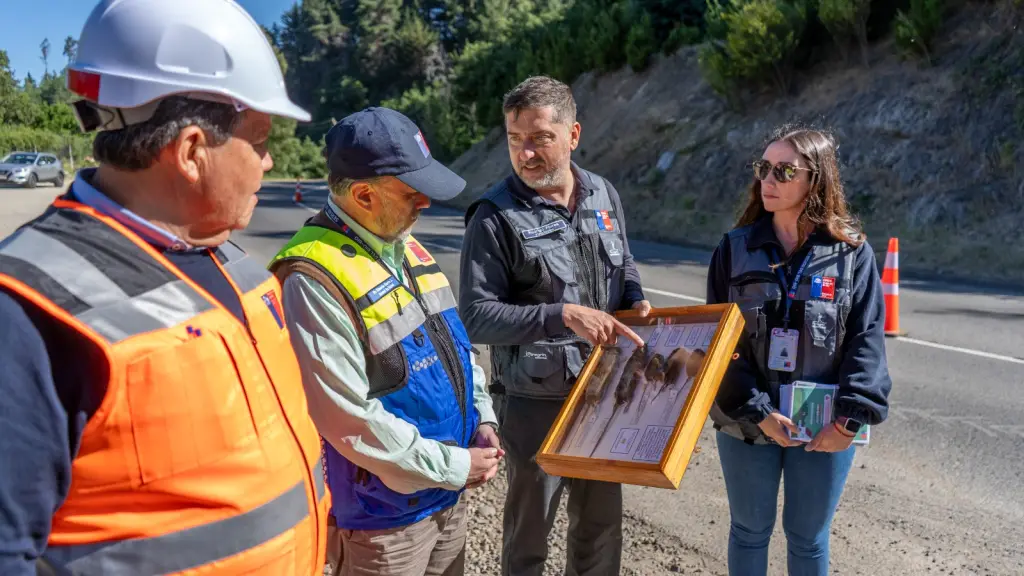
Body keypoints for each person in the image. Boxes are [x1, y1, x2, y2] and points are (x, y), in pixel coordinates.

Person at [0, 1, 330, 574]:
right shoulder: (26, 311)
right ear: (193, 152)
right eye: (261, 141)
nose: (270, 161)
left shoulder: (229, 261)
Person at [269, 107, 502, 576]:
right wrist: (456, 466)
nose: (426, 205)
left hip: (446, 492)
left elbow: (454, 346)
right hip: (385, 522)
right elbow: (348, 419)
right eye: (414, 193)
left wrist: (483, 415)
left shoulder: (404, 242)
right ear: (362, 194)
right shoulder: (313, 278)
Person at [459, 75, 650, 576]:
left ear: (573, 135)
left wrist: (635, 297)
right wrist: (560, 315)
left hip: (604, 392)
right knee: (529, 536)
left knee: (600, 529)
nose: (525, 154)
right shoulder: (494, 217)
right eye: (515, 139)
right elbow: (477, 316)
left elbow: (623, 262)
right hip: (532, 404)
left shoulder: (603, 195)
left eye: (540, 138)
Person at [706, 126, 893, 575]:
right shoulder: (735, 249)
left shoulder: (852, 255)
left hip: (824, 424)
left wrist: (848, 420)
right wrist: (758, 411)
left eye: (784, 170)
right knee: (749, 531)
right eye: (764, 168)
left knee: (808, 540)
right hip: (747, 421)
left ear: (817, 180)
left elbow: (866, 340)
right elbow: (718, 342)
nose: (768, 179)